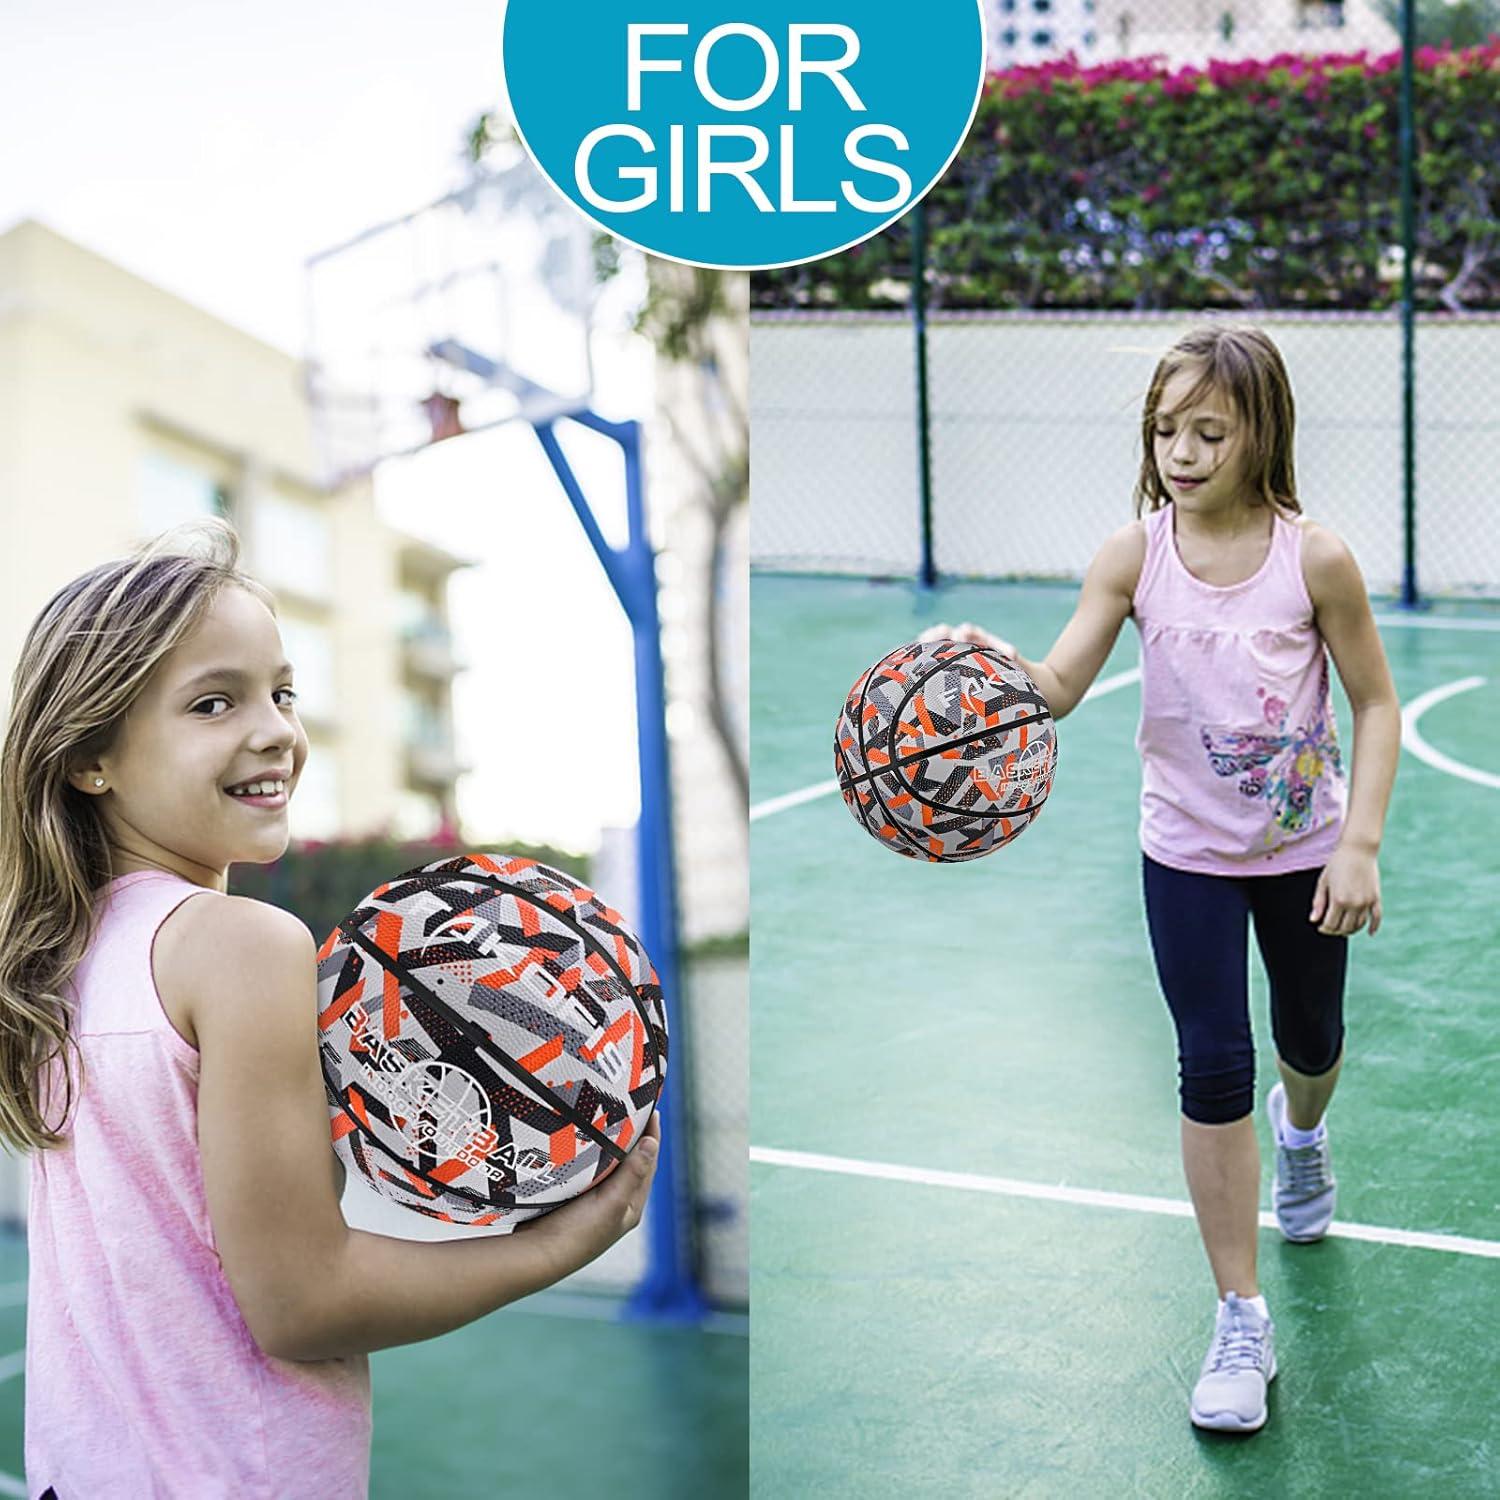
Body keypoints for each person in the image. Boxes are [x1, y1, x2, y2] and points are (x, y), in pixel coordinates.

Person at [0, 518, 660, 1496]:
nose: (273, 729)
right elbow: (304, 1303)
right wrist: (561, 1244)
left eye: (281, 691)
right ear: (92, 757)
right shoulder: (240, 946)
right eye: (213, 703)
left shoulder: (56, 956)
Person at [922, 324, 1400, 1434]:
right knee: (1211, 1063)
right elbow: (1056, 684)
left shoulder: (1313, 558)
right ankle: (1240, 1315)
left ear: (1259, 433)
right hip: (1182, 850)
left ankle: (1306, 1132)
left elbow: (1376, 702)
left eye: (1209, 431)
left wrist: (1360, 842)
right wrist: (979, 668)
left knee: (1311, 1040)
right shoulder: (1132, 555)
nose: (1181, 451)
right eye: (1164, 428)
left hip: (1301, 852)